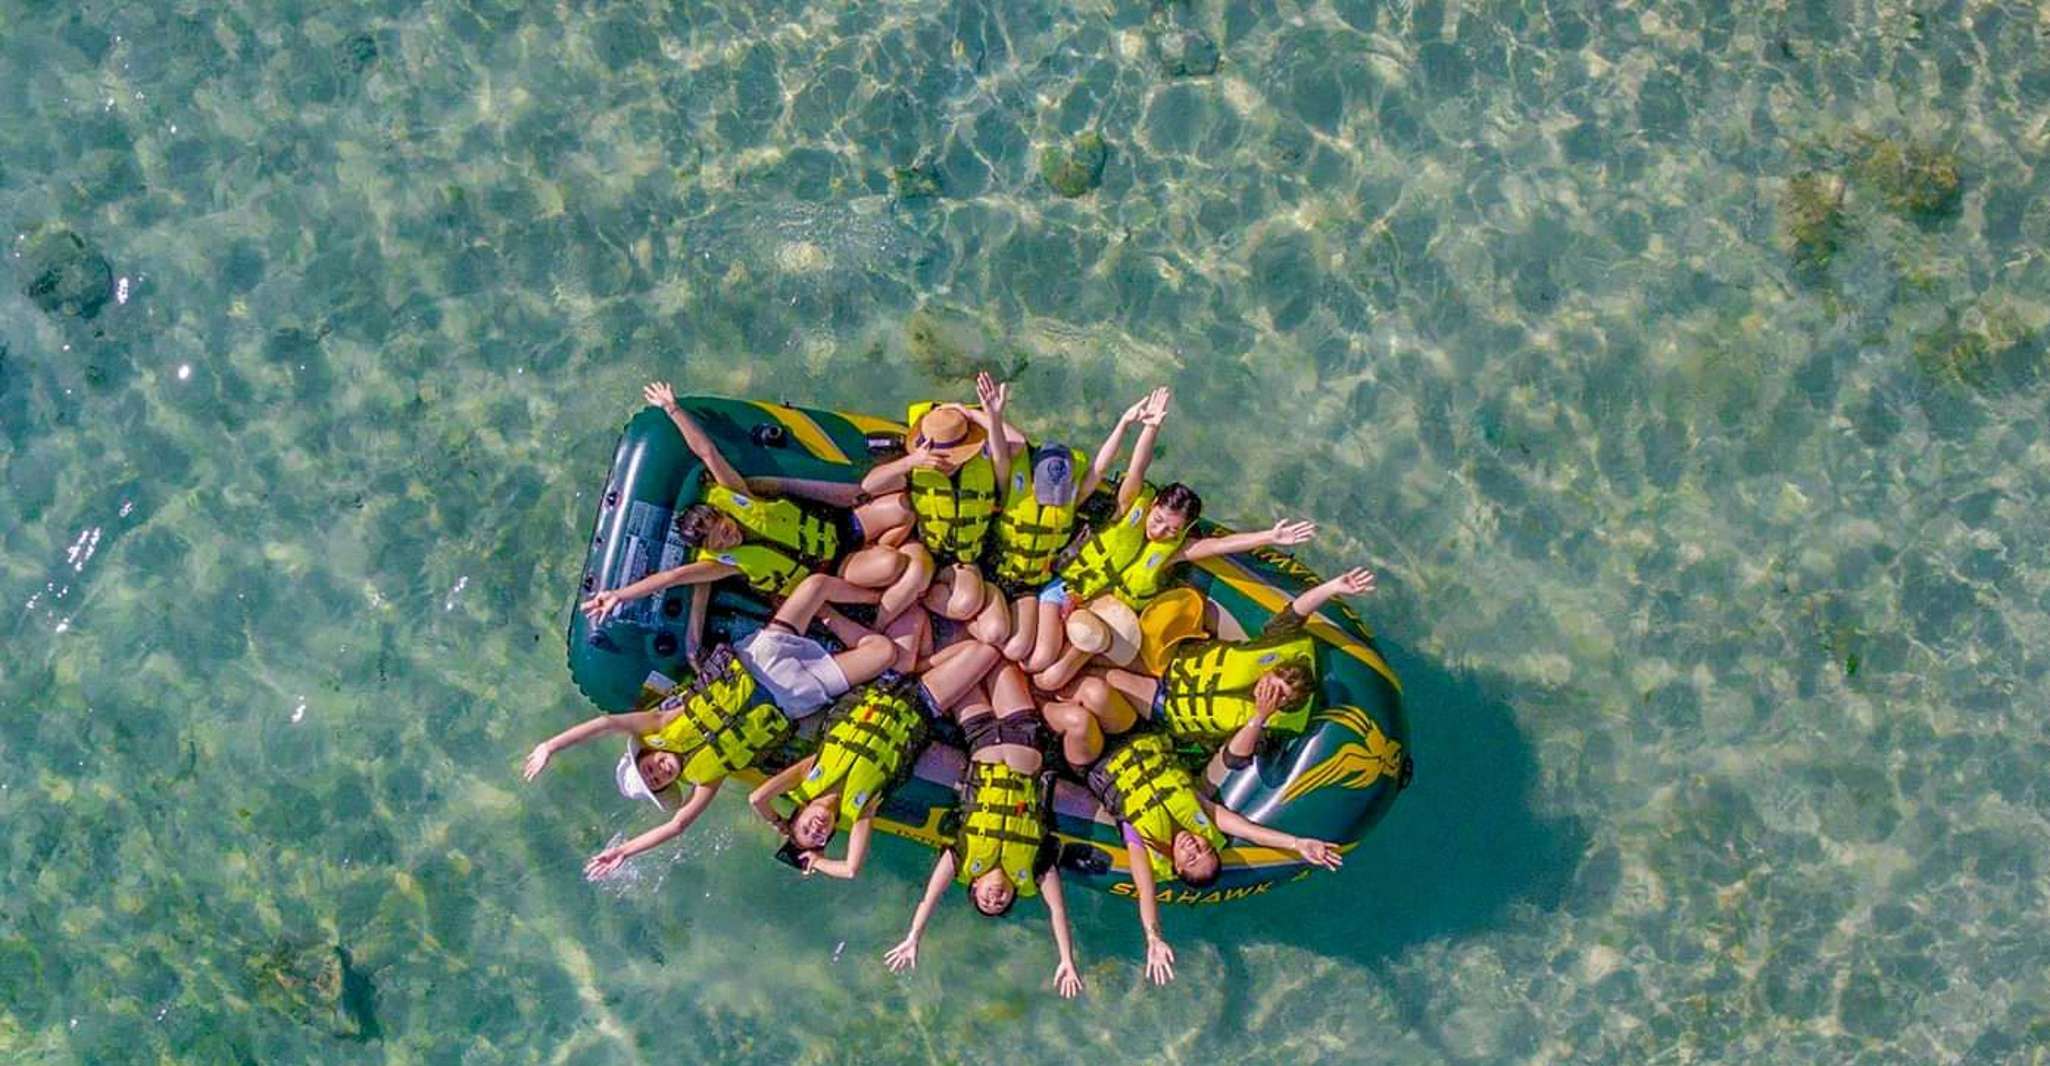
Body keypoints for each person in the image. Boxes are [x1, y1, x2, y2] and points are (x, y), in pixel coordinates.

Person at [523, 573, 901, 877]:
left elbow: (606, 724)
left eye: (649, 768)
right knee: (884, 653)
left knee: (816, 585)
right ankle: (870, 614)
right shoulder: (707, 778)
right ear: (671, 784)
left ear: (648, 753)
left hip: (761, 656)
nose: (659, 772)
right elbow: (677, 825)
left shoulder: (662, 723)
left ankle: (874, 599)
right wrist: (624, 850)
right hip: (792, 697)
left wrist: (551, 746)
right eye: (659, 781)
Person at [576, 383, 926, 623]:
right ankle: (878, 584)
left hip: (840, 530)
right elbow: (671, 576)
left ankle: (882, 547)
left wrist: (672, 409)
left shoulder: (738, 496)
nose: (730, 538)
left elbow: (707, 451)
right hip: (831, 574)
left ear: (723, 515)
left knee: (903, 508)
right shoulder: (722, 563)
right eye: (721, 542)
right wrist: (619, 595)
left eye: (725, 529)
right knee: (891, 565)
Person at [881, 665, 1085, 998]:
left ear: (974, 886)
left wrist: (913, 937)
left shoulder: (962, 859)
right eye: (1001, 903)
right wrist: (1066, 959)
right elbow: (1057, 911)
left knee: (973, 662)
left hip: (981, 737)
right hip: (1023, 736)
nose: (995, 898)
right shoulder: (1034, 869)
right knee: (1000, 663)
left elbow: (930, 897)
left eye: (986, 902)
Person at [1084, 731, 1344, 986]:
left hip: (1096, 760)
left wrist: (1153, 938)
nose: (1193, 846)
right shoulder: (1203, 818)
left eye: (1191, 859)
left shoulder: (1146, 848)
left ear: (1177, 867)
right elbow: (1250, 831)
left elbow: (1147, 893)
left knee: (1081, 722)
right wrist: (1298, 843)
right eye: (1204, 848)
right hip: (1133, 732)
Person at [1048, 567, 1377, 766]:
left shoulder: (1271, 726)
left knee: (1103, 680)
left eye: (1277, 694)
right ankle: (1048, 653)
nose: (1268, 687)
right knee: (1098, 645)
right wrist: (1334, 587)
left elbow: (1235, 759)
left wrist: (1260, 715)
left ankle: (1045, 696)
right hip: (1172, 662)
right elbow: (1296, 612)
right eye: (1273, 679)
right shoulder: (1275, 648)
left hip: (1167, 704)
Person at [972, 374, 1173, 672]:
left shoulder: (1070, 501)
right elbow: (1000, 454)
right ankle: (977, 630)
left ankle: (995, 643)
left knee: (1026, 654)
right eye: (1048, 492)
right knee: (1001, 637)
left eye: (1060, 492)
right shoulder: (1012, 488)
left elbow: (1100, 466)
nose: (1054, 499)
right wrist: (994, 415)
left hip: (1032, 587)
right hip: (995, 574)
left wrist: (1126, 423)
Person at [744, 678, 930, 880]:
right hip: (921, 706)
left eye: (806, 829)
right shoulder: (859, 813)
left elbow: (756, 799)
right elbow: (851, 870)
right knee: (970, 655)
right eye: (818, 838)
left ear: (800, 812)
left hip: (880, 689)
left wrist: (777, 822)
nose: (816, 829)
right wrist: (817, 861)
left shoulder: (806, 777)